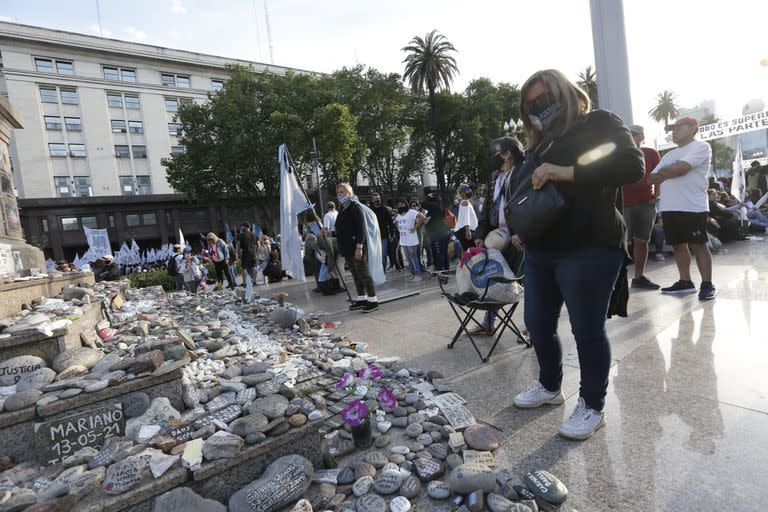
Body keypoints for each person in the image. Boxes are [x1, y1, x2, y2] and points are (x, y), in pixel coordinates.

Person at [510, 69, 644, 441]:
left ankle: (592, 404)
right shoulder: (539, 143)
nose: (538, 107)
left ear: (565, 92)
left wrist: (566, 171)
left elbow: (631, 166)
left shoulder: (598, 122)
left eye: (543, 98)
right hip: (541, 247)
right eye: (530, 104)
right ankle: (550, 386)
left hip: (589, 244)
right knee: (537, 324)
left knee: (586, 330)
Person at [647, 117, 716, 300]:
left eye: (678, 127)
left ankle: (707, 284)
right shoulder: (669, 155)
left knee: (698, 244)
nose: (674, 131)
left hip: (692, 206)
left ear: (693, 128)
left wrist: (671, 171)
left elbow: (682, 169)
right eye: (672, 129)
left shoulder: (701, 146)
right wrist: (673, 169)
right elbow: (651, 178)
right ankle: (685, 282)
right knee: (677, 245)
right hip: (669, 207)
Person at [471, 136, 526, 335]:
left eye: (496, 152)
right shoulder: (495, 176)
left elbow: (528, 204)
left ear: (507, 153)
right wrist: (480, 233)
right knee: (496, 281)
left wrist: (520, 231)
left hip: (518, 238)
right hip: (498, 237)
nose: (493, 156)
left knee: (525, 282)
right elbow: (488, 207)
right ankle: (489, 322)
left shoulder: (522, 172)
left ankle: (533, 326)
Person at [622, 124, 662, 290]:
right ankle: (618, 279)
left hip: (646, 203)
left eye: (635, 133)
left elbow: (659, 174)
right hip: (624, 205)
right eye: (629, 133)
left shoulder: (651, 153)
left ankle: (638, 277)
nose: (632, 136)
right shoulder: (619, 154)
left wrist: (657, 195)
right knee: (621, 243)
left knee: (642, 241)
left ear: (642, 136)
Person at [335, 183, 379, 312]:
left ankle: (373, 301)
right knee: (355, 275)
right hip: (346, 247)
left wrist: (359, 247)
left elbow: (361, 229)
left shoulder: (355, 207)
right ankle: (362, 299)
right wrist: (329, 233)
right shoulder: (342, 208)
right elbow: (342, 230)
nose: (340, 195)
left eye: (342, 192)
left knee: (364, 275)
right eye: (338, 193)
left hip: (356, 247)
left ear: (350, 193)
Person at [395, 198, 425, 281]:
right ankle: (413, 274)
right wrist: (399, 229)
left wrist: (415, 227)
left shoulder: (412, 212)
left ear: (406, 204)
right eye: (399, 205)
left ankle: (418, 275)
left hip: (411, 241)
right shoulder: (399, 214)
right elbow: (396, 222)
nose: (400, 206)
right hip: (403, 240)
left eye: (402, 204)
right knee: (408, 258)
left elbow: (422, 217)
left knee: (413, 258)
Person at [422, 192, 452, 272]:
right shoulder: (440, 205)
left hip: (438, 234)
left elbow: (423, 204)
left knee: (440, 254)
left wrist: (428, 196)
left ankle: (440, 272)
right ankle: (446, 271)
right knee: (444, 253)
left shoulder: (434, 206)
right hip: (445, 233)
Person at [370, 192, 396, 274]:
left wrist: (392, 235)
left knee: (384, 256)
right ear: (372, 200)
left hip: (384, 236)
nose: (377, 200)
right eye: (375, 199)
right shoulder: (370, 211)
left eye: (378, 198)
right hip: (373, 237)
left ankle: (383, 273)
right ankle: (377, 272)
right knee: (375, 256)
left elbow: (390, 223)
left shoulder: (385, 210)